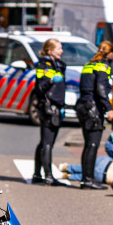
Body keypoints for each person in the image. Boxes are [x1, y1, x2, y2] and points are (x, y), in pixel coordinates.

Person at [75, 40, 113, 190]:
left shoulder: (88, 65)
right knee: (93, 145)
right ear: (110, 53)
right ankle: (88, 180)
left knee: (87, 145)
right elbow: (101, 89)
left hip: (83, 105)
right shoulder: (102, 66)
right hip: (93, 108)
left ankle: (86, 179)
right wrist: (109, 108)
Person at [31, 38, 66, 185]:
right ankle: (48, 176)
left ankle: (38, 174)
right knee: (47, 142)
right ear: (50, 51)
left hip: (54, 106)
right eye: (58, 48)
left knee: (44, 142)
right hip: (48, 107)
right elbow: (40, 87)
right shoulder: (44, 65)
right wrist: (51, 80)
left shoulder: (55, 64)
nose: (61, 51)